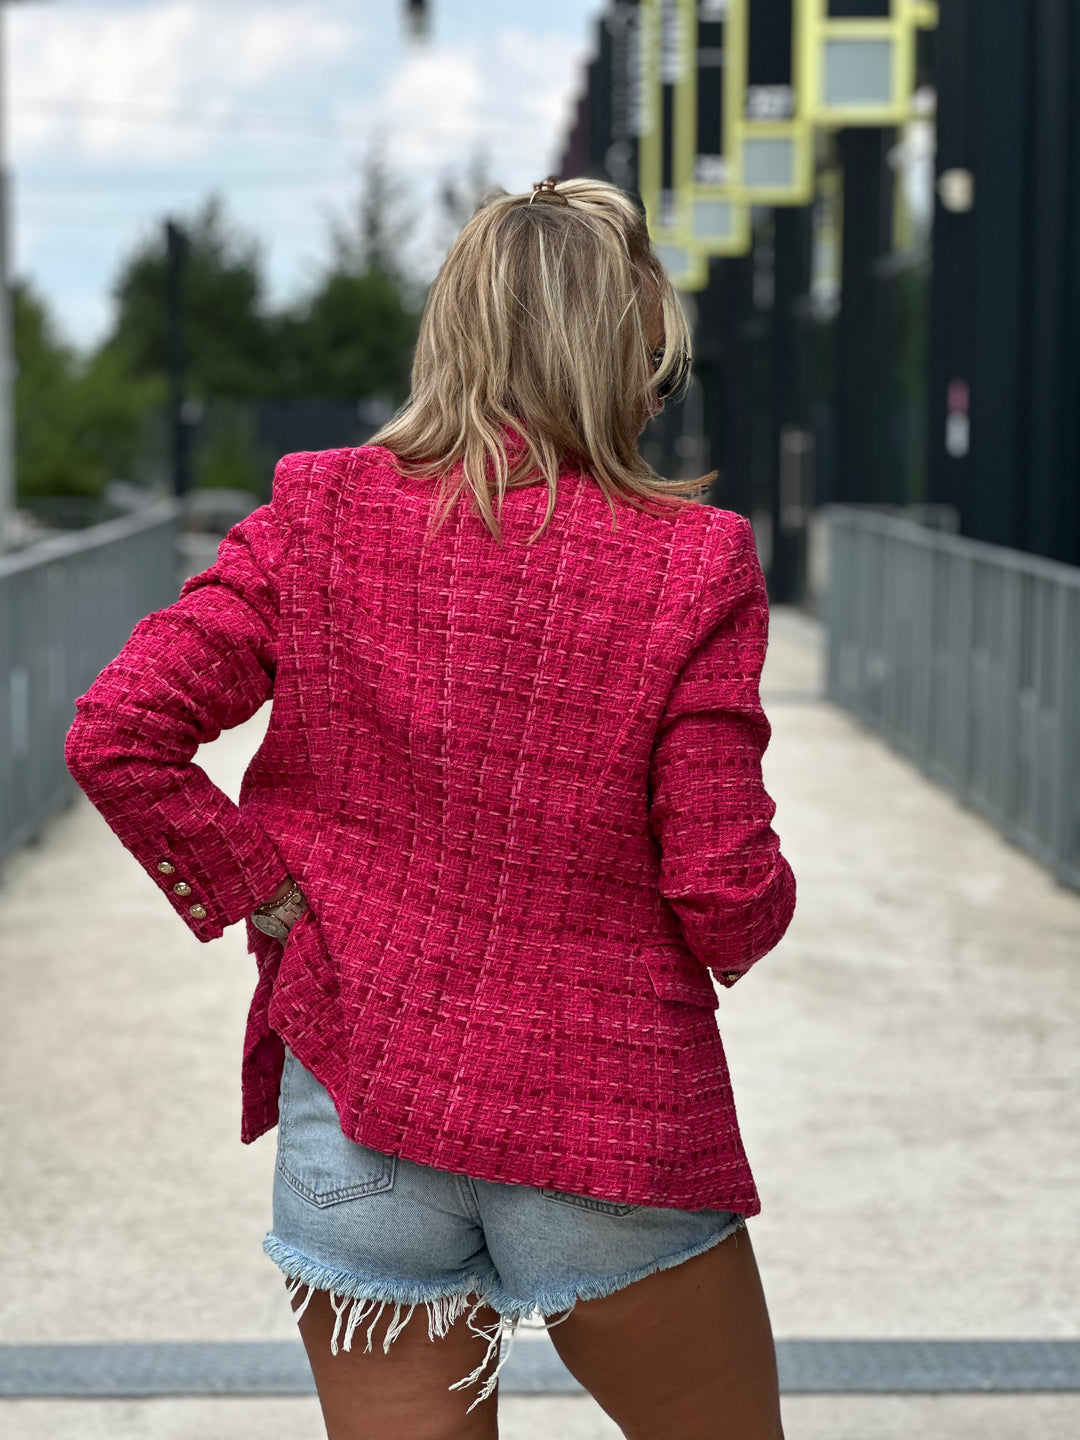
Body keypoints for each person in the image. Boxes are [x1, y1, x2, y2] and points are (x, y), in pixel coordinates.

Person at [65, 176, 796, 1440]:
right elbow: (725, 893)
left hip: (358, 1108)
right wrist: (754, 916)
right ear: (632, 354)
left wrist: (261, 885)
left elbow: (120, 730)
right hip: (607, 1120)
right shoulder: (696, 560)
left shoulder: (321, 510)